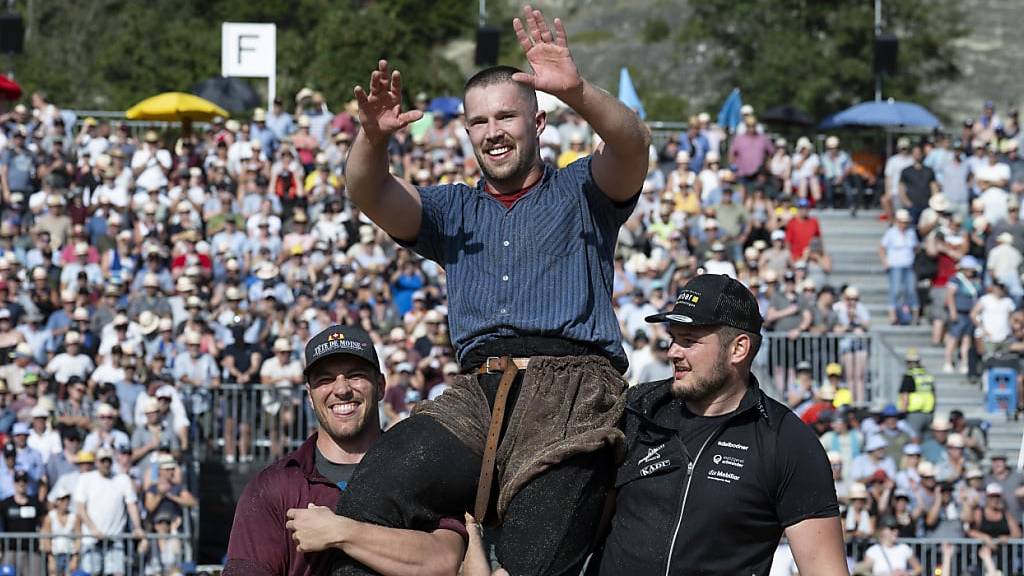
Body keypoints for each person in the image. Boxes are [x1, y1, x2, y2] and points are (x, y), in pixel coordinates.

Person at [334, 6, 650, 575]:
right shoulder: (454, 207)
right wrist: (372, 139)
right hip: (478, 391)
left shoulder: (582, 187)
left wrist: (576, 90)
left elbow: (632, 145)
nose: (493, 132)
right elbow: (370, 191)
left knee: (532, 560)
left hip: (571, 392)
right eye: (478, 122)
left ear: (538, 124)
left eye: (506, 117)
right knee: (369, 499)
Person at [592, 274, 846, 574]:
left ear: (738, 349)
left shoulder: (787, 440)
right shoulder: (637, 410)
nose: (673, 351)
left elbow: (825, 570)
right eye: (674, 338)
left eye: (689, 341)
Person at [224, 325, 466, 576]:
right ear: (309, 395)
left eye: (355, 375)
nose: (341, 390)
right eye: (325, 379)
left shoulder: (421, 472)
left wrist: (341, 532)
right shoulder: (273, 486)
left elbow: (444, 561)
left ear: (381, 386)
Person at [854, 515, 922, 576]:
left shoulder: (904, 548)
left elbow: (918, 568)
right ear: (882, 530)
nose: (896, 531)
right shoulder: (873, 551)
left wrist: (907, 573)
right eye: (892, 528)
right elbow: (864, 570)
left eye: (897, 528)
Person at [897, 348, 935, 436]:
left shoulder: (909, 375)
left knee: (913, 438)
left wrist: (902, 412)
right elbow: (933, 394)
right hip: (929, 413)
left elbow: (905, 396)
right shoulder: (927, 375)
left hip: (914, 414)